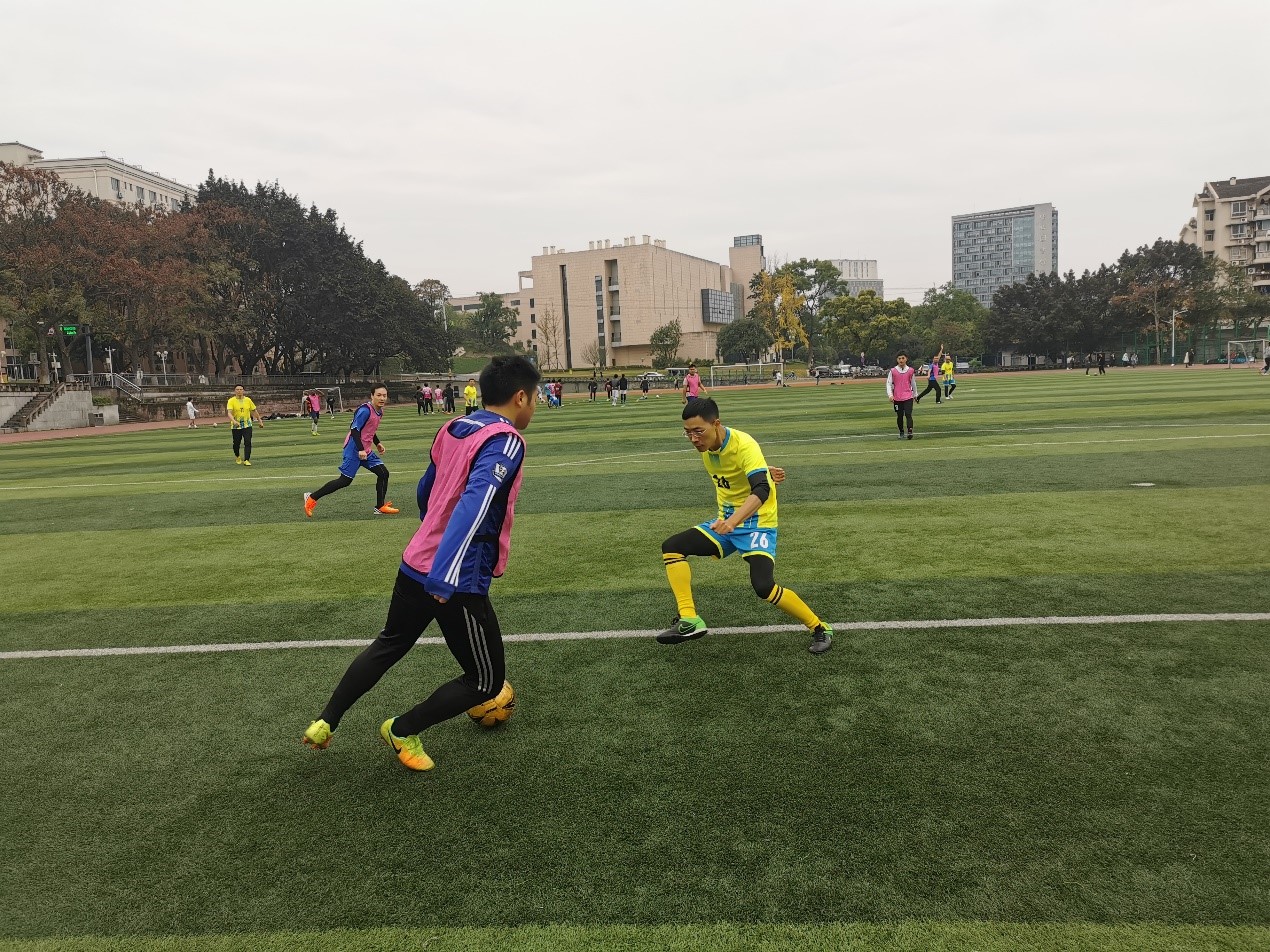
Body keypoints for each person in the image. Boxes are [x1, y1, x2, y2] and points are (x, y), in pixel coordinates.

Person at [302, 356, 541, 770]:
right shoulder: (506, 441)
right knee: (485, 681)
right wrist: (446, 574)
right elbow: (476, 504)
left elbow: (426, 487)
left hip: (415, 560)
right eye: (535, 398)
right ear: (521, 397)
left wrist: (430, 531)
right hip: (455, 579)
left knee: (390, 643)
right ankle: (402, 729)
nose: (535, 405)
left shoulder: (453, 426)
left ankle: (326, 721)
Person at [656, 397, 833, 655]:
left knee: (764, 587)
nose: (693, 439)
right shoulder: (708, 448)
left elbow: (761, 489)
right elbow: (738, 473)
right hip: (726, 522)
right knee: (672, 547)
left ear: (716, 424)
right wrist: (763, 469)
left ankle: (820, 627)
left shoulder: (744, 444)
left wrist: (733, 521)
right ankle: (690, 619)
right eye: (687, 433)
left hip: (757, 524)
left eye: (698, 431)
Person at [304, 384, 398, 517]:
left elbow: (369, 429)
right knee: (345, 481)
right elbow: (354, 429)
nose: (382, 398)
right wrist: (360, 449)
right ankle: (312, 498)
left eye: (384, 395)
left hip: (366, 450)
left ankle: (380, 506)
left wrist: (377, 443)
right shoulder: (365, 410)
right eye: (379, 395)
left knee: (383, 473)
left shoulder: (379, 411)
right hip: (354, 449)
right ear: (372, 396)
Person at [226, 385, 263, 465]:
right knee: (236, 443)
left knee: (248, 441)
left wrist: (260, 421)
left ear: (243, 391)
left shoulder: (248, 400)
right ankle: (237, 456)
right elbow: (229, 413)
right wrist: (234, 421)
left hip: (247, 424)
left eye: (241, 389)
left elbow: (254, 411)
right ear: (235, 391)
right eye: (237, 389)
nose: (239, 391)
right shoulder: (231, 401)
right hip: (236, 425)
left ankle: (247, 459)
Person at [886, 351, 917, 441]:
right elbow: (888, 384)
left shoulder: (910, 370)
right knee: (899, 416)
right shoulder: (893, 371)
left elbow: (913, 383)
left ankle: (910, 431)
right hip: (897, 398)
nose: (901, 360)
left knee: (908, 414)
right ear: (897, 360)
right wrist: (890, 395)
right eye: (899, 358)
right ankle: (901, 432)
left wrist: (915, 394)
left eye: (903, 358)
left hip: (908, 396)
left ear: (906, 359)